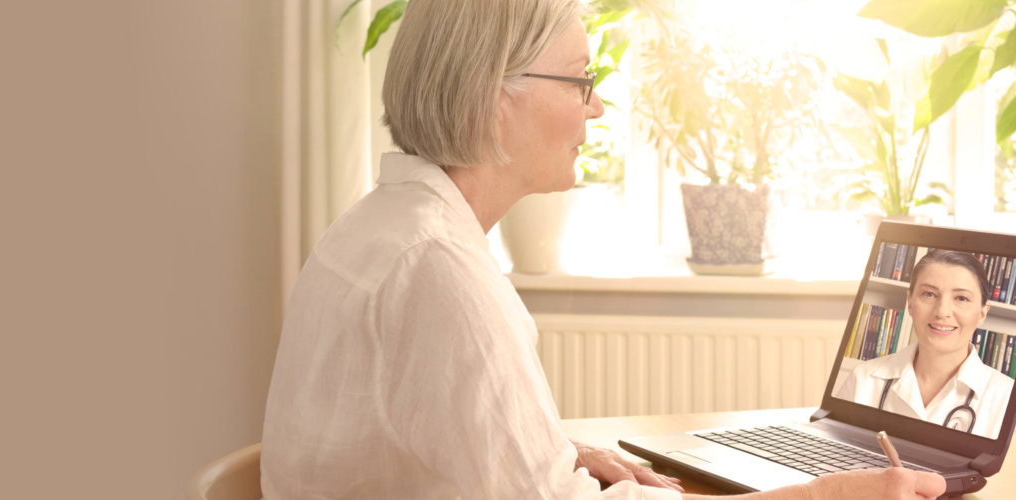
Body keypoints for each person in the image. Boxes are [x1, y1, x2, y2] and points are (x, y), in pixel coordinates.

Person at [258, 1, 947, 499]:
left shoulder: (378, 229)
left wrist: (555, 456)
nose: (596, 108)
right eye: (581, 80)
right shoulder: (439, 270)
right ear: (495, 97)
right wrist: (824, 498)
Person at [833, 250, 1016, 439]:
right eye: (929, 294)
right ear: (910, 303)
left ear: (982, 313)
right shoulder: (864, 379)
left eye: (961, 298)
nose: (942, 311)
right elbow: (833, 461)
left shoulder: (1006, 396)